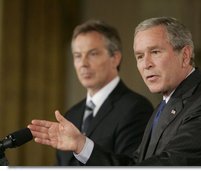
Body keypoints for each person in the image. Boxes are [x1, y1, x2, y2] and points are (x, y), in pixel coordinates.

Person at [28, 17, 201, 166]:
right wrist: (82, 145)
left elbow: (167, 165)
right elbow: (135, 165)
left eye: (155, 52)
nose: (146, 64)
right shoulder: (167, 104)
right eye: (140, 56)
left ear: (185, 55)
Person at [54, 20, 153, 165]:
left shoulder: (136, 108)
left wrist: (83, 147)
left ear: (115, 58)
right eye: (77, 56)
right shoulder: (71, 115)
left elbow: (131, 167)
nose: (83, 63)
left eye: (93, 54)